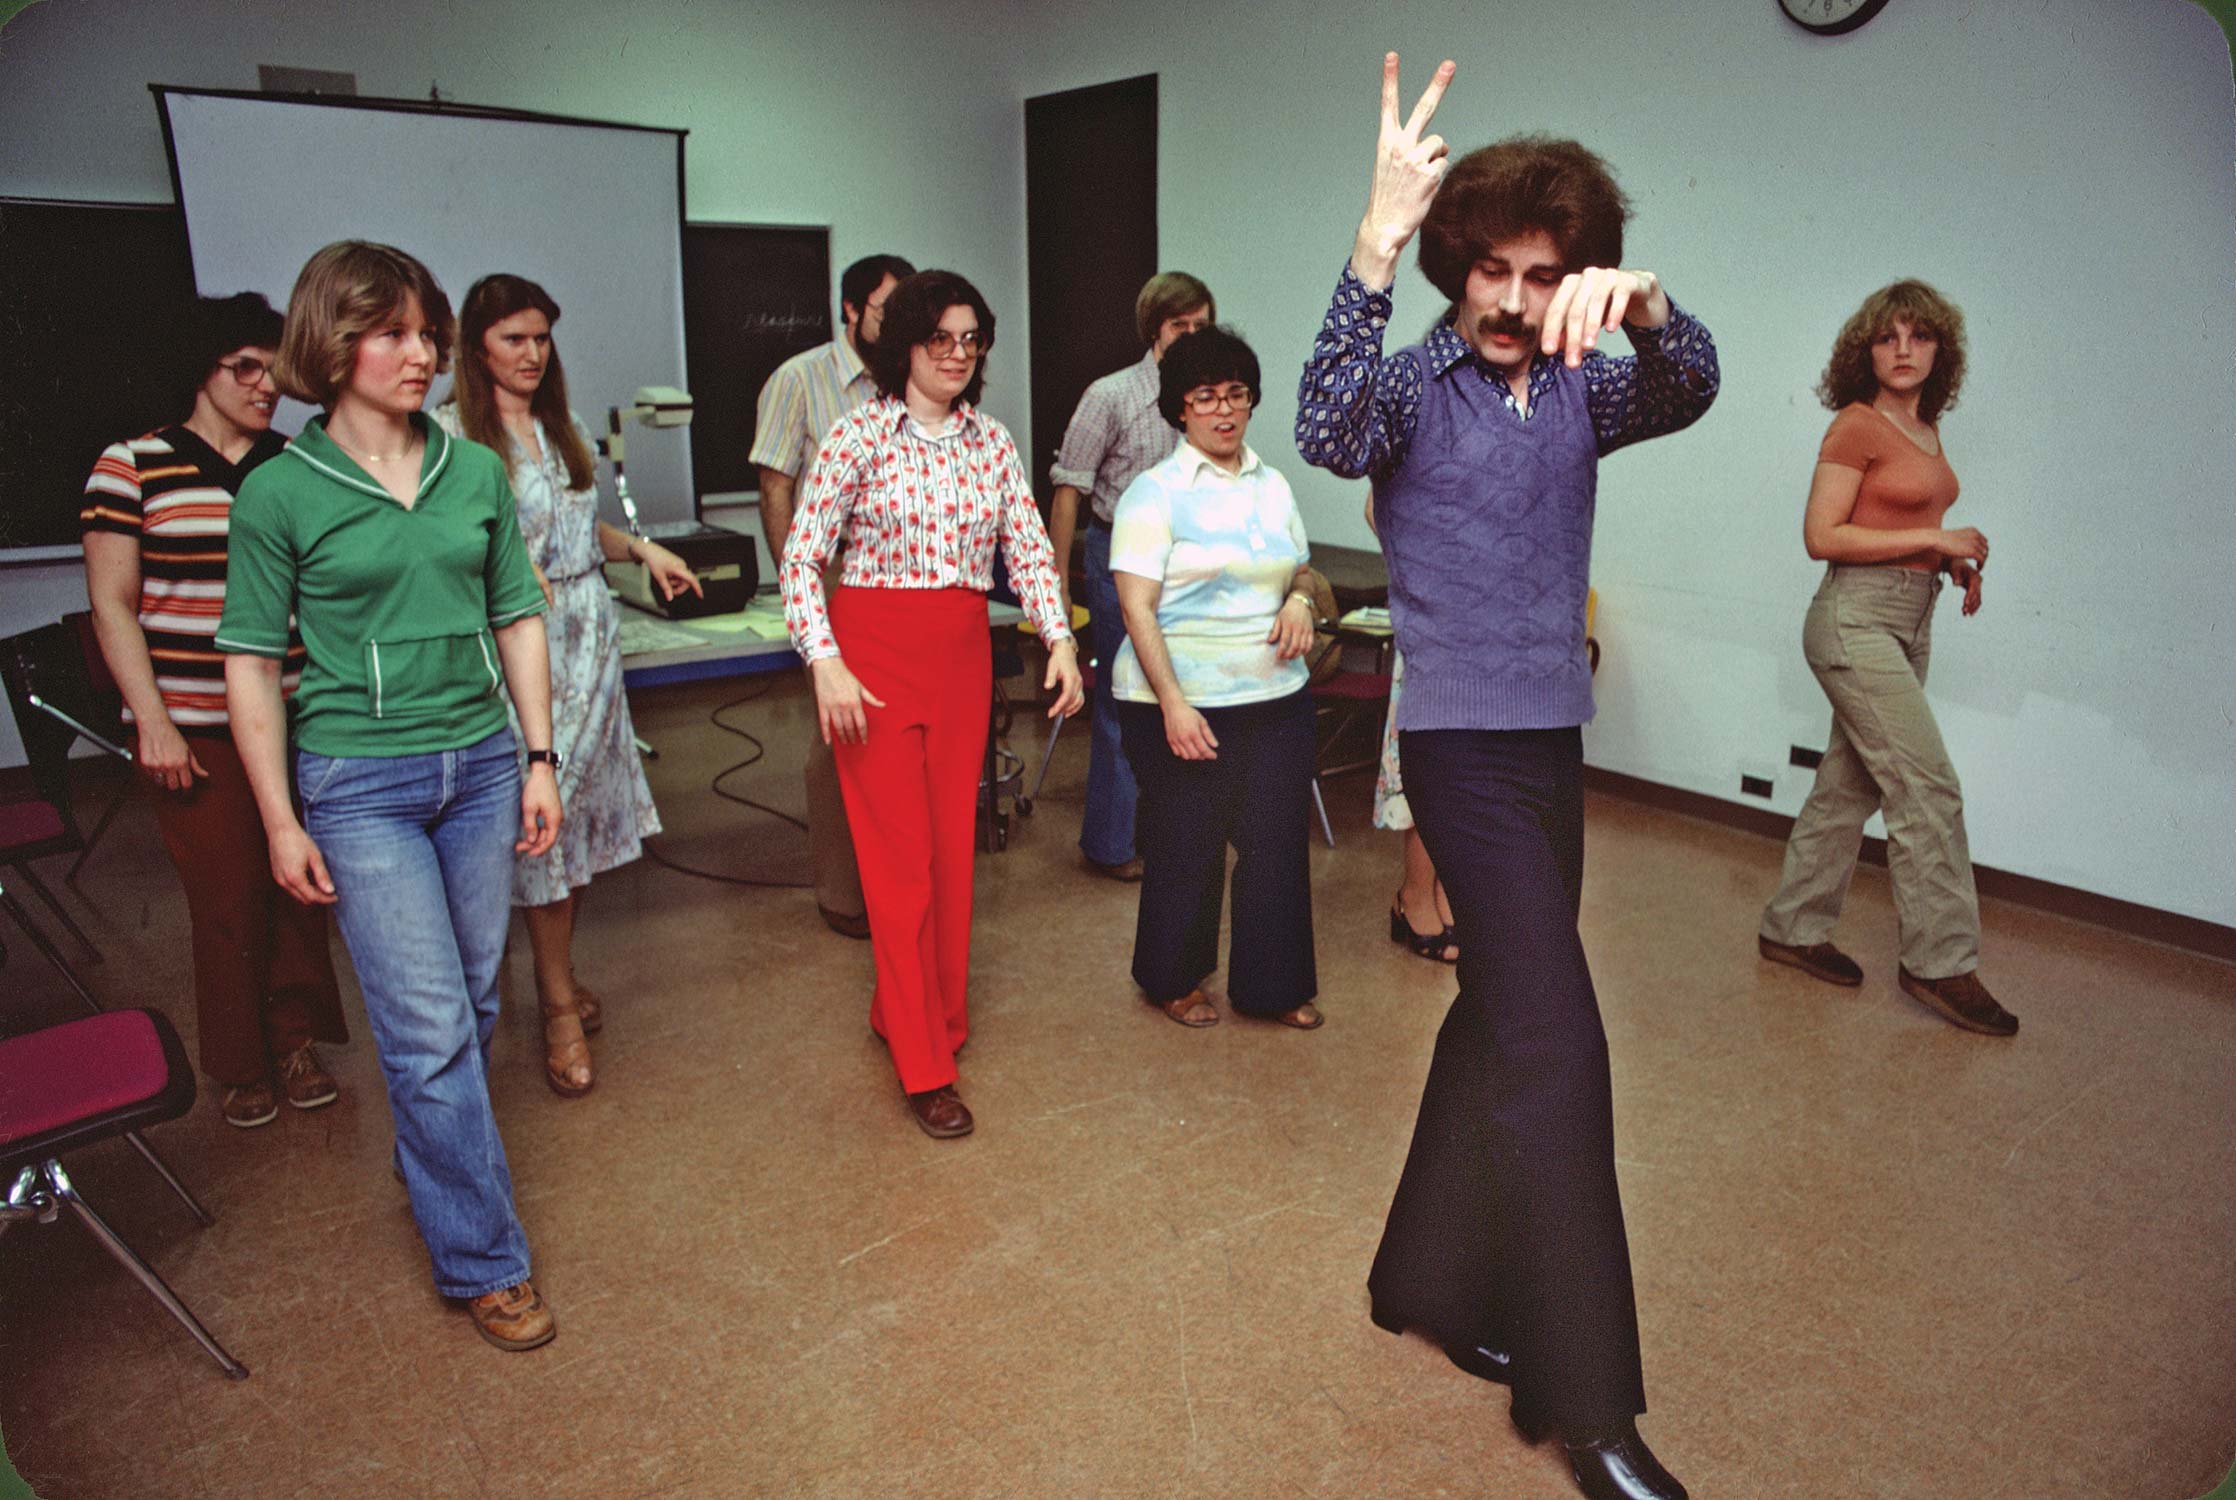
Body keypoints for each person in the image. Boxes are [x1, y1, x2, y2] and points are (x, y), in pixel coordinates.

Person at [1295, 56, 1720, 1500]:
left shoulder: (1585, 390)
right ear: (1452, 267)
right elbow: (1324, 426)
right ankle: (1584, 1403)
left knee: (1498, 1016)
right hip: (1462, 746)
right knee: (1560, 1048)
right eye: (1488, 269)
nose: (1511, 299)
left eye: (1543, 276)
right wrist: (1367, 242)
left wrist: (1651, 306)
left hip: (1553, 741)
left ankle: (1421, 1279)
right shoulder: (1412, 387)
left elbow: (1692, 382)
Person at [218, 241, 563, 1352]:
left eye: (428, 335)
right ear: (331, 341)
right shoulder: (279, 490)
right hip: (357, 784)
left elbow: (516, 612)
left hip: (476, 769)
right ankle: (485, 1259)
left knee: (470, 1012)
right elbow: (249, 665)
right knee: (424, 1036)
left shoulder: (471, 472)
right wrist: (280, 818)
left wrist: (540, 757)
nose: (420, 355)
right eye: (392, 333)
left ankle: (440, 1185)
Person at [781, 269, 1084, 1140]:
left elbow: (1027, 546)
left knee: (953, 856)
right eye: (938, 339)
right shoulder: (856, 437)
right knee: (899, 865)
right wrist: (826, 664)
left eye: (970, 341)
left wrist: (1057, 637)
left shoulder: (991, 442)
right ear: (902, 345)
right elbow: (801, 563)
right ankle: (924, 1064)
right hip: (871, 661)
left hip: (960, 658)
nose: (956, 355)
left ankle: (916, 1012)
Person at [80, 292, 347, 1129]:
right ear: (204, 369)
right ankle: (242, 1064)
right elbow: (113, 603)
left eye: (275, 372)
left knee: (302, 887)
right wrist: (151, 719)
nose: (264, 386)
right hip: (192, 725)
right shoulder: (132, 464)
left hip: (298, 714)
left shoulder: (294, 464)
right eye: (245, 368)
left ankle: (296, 1037)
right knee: (228, 895)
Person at [438, 273, 702, 1096]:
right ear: (475, 345)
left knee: (575, 825)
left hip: (592, 646)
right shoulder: (449, 437)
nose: (530, 354)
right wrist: (503, 578)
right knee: (536, 827)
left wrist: (643, 551)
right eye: (512, 338)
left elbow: (582, 526)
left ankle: (554, 973)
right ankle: (554, 1005)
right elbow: (449, 549)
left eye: (541, 338)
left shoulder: (563, 425)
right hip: (521, 650)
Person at [1757, 281, 2015, 1036]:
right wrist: (1937, 541)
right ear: (1864, 351)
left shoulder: (1925, 428)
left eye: (1920, 336)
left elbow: (1904, 523)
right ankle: (1941, 964)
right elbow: (1823, 536)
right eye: (1887, 337)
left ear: (1942, 351)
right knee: (1928, 788)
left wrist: (1949, 564)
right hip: (1854, 619)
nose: (1903, 350)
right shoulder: (1857, 425)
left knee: (1850, 786)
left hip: (1910, 619)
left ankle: (1792, 928)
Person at [1109, 326, 1322, 1030]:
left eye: (1237, 395)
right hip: (1180, 700)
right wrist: (1172, 703)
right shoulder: (1154, 494)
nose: (1224, 411)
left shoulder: (1273, 483)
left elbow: (1301, 565)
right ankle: (1170, 978)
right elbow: (1136, 607)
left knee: (1275, 841)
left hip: (1274, 696)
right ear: (1180, 410)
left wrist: (1297, 598)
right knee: (1188, 842)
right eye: (1206, 398)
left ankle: (1273, 987)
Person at [750, 252, 916, 940]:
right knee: (842, 733)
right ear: (851, 311)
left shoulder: (917, 374)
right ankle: (844, 894)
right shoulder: (800, 379)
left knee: (904, 732)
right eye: (888, 311)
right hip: (838, 573)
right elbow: (775, 486)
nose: (905, 325)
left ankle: (901, 881)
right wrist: (803, 590)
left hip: (909, 576)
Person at [1047, 272, 1215, 882]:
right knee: (1126, 700)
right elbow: (1069, 494)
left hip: (1187, 563)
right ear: (1154, 330)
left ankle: (1172, 836)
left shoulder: (1204, 396)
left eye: (1202, 326)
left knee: (1184, 693)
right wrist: (1056, 591)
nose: (1193, 337)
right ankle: (1112, 845)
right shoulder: (1111, 396)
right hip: (1118, 555)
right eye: (1180, 327)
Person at [1364, 484, 1459, 965]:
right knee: (1424, 768)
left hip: (1482, 630)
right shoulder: (1420, 418)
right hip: (1431, 624)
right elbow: (1374, 506)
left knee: (1464, 774)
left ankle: (1444, 891)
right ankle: (1414, 895)